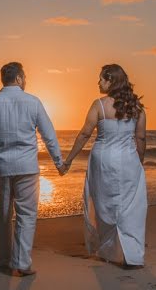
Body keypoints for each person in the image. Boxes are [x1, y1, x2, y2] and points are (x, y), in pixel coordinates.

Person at [0, 62, 66, 277]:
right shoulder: (33, 102)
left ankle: (5, 261)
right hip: (26, 167)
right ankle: (22, 264)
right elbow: (48, 135)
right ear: (19, 78)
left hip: (0, 168)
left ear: (3, 79)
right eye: (24, 78)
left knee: (4, 216)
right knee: (27, 215)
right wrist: (58, 162)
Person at [59, 64, 147, 268]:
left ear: (111, 81)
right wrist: (139, 162)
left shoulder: (98, 105)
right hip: (127, 160)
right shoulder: (137, 107)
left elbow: (84, 134)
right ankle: (131, 253)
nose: (98, 82)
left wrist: (69, 159)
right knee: (129, 205)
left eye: (101, 78)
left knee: (103, 204)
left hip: (103, 159)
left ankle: (109, 250)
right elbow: (141, 137)